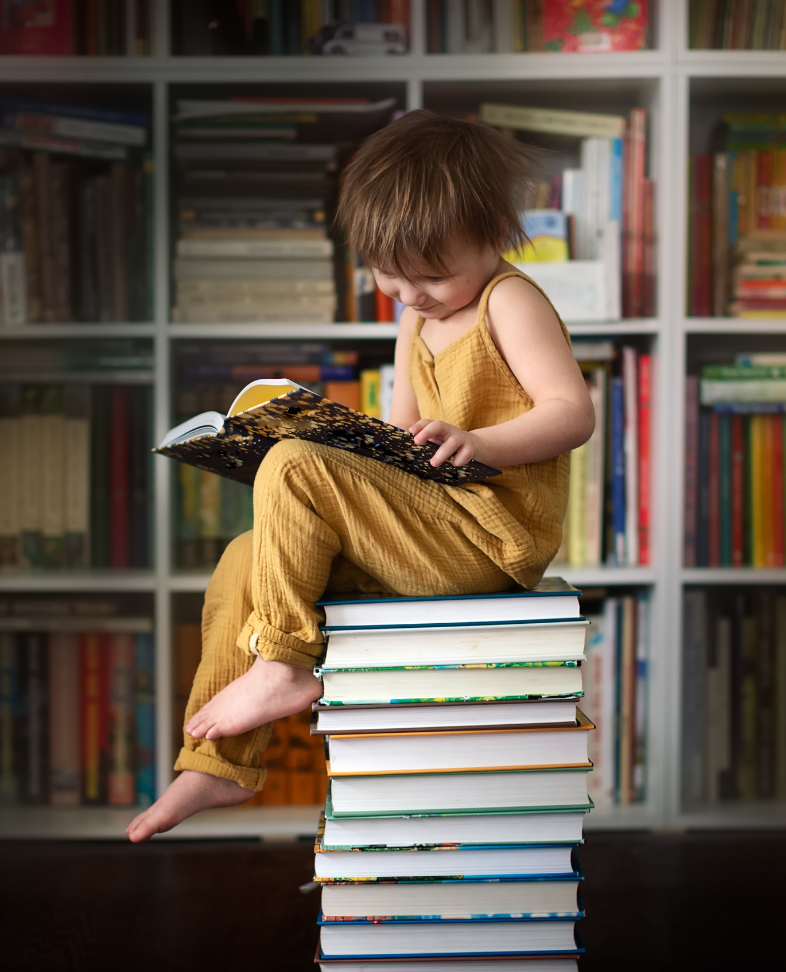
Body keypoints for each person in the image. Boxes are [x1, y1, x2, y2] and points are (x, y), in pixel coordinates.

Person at [126, 110, 595, 843]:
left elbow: (572, 413)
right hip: (422, 530)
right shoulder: (415, 318)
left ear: (497, 231)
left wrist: (477, 440)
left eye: (433, 274)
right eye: (387, 275)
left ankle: (283, 666)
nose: (410, 294)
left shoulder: (510, 299)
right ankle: (215, 764)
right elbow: (398, 439)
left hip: (489, 536)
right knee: (241, 558)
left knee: (293, 466)